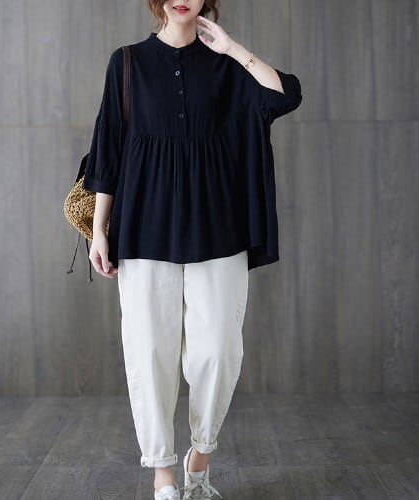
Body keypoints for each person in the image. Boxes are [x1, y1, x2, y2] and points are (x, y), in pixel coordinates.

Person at [83, 1, 302, 498]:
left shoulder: (227, 63)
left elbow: (283, 95)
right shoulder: (127, 63)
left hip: (219, 228)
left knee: (220, 351)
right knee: (149, 353)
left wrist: (234, 49)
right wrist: (99, 230)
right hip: (144, 228)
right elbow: (108, 149)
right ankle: (163, 475)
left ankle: (199, 458)